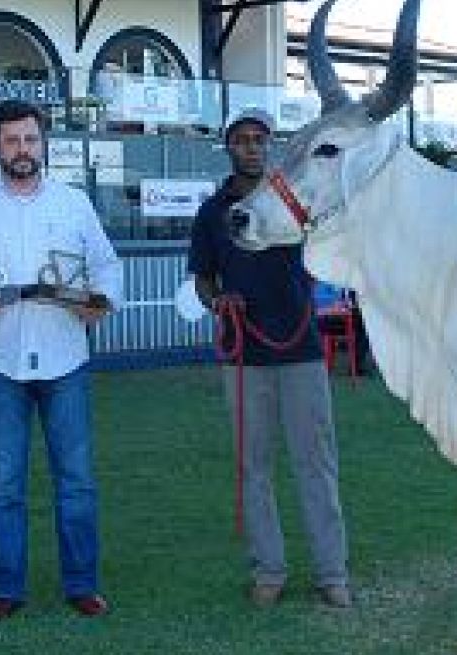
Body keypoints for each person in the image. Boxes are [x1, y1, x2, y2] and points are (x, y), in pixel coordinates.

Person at [0, 99, 121, 621]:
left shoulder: (74, 204)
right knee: (3, 485)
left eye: (30, 140)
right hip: (2, 362)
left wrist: (98, 304)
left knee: (76, 480)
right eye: (11, 141)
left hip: (65, 358)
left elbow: (107, 269)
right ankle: (5, 589)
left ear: (44, 144)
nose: (22, 150)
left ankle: (82, 585)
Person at [188, 109, 352, 608]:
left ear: (270, 147)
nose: (252, 147)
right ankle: (269, 570)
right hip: (244, 358)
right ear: (229, 148)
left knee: (316, 463)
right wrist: (217, 301)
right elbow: (203, 277)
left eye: (260, 139)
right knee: (253, 466)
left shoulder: (295, 203)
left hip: (300, 350)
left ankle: (332, 573)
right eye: (242, 140)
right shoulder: (212, 213)